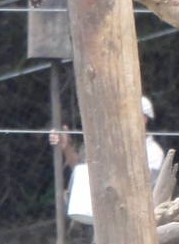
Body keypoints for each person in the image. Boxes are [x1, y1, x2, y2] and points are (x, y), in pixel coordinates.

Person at [61, 95, 164, 233]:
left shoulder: (153, 151)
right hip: (104, 222)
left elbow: (143, 185)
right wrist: (66, 146)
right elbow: (81, 172)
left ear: (144, 118)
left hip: (136, 224)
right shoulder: (107, 145)